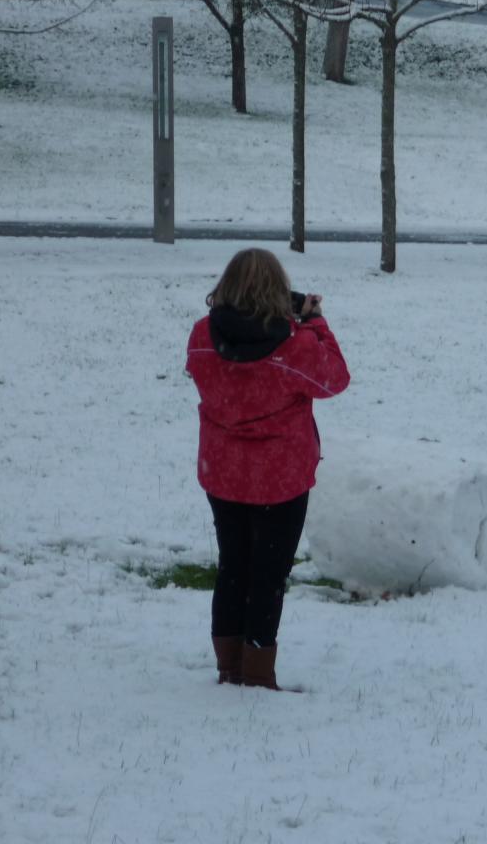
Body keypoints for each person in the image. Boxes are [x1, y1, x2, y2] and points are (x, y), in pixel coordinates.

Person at [186, 249, 350, 690]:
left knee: (233, 566)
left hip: (222, 471)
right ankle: (257, 672)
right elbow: (334, 378)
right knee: (268, 574)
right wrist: (314, 322)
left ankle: (229, 666)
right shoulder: (294, 346)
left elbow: (205, 370)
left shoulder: (203, 335)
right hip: (281, 478)